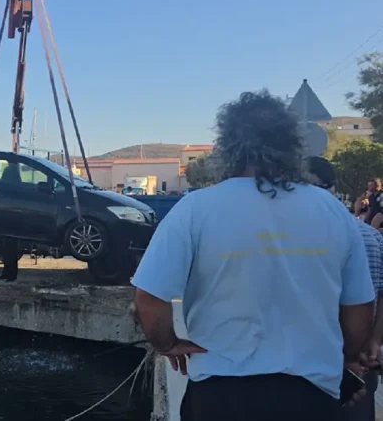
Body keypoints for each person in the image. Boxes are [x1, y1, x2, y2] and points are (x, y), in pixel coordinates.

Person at [131, 90, 375, 421]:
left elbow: (149, 298)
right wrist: (348, 355)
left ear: (229, 146)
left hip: (218, 395)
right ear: (292, 145)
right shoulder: (331, 210)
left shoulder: (195, 208)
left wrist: (166, 344)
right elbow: (359, 306)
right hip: (311, 395)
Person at [305, 156, 383, 421]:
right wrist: (373, 341)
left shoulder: (293, 239)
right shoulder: (369, 235)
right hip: (362, 363)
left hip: (314, 364)